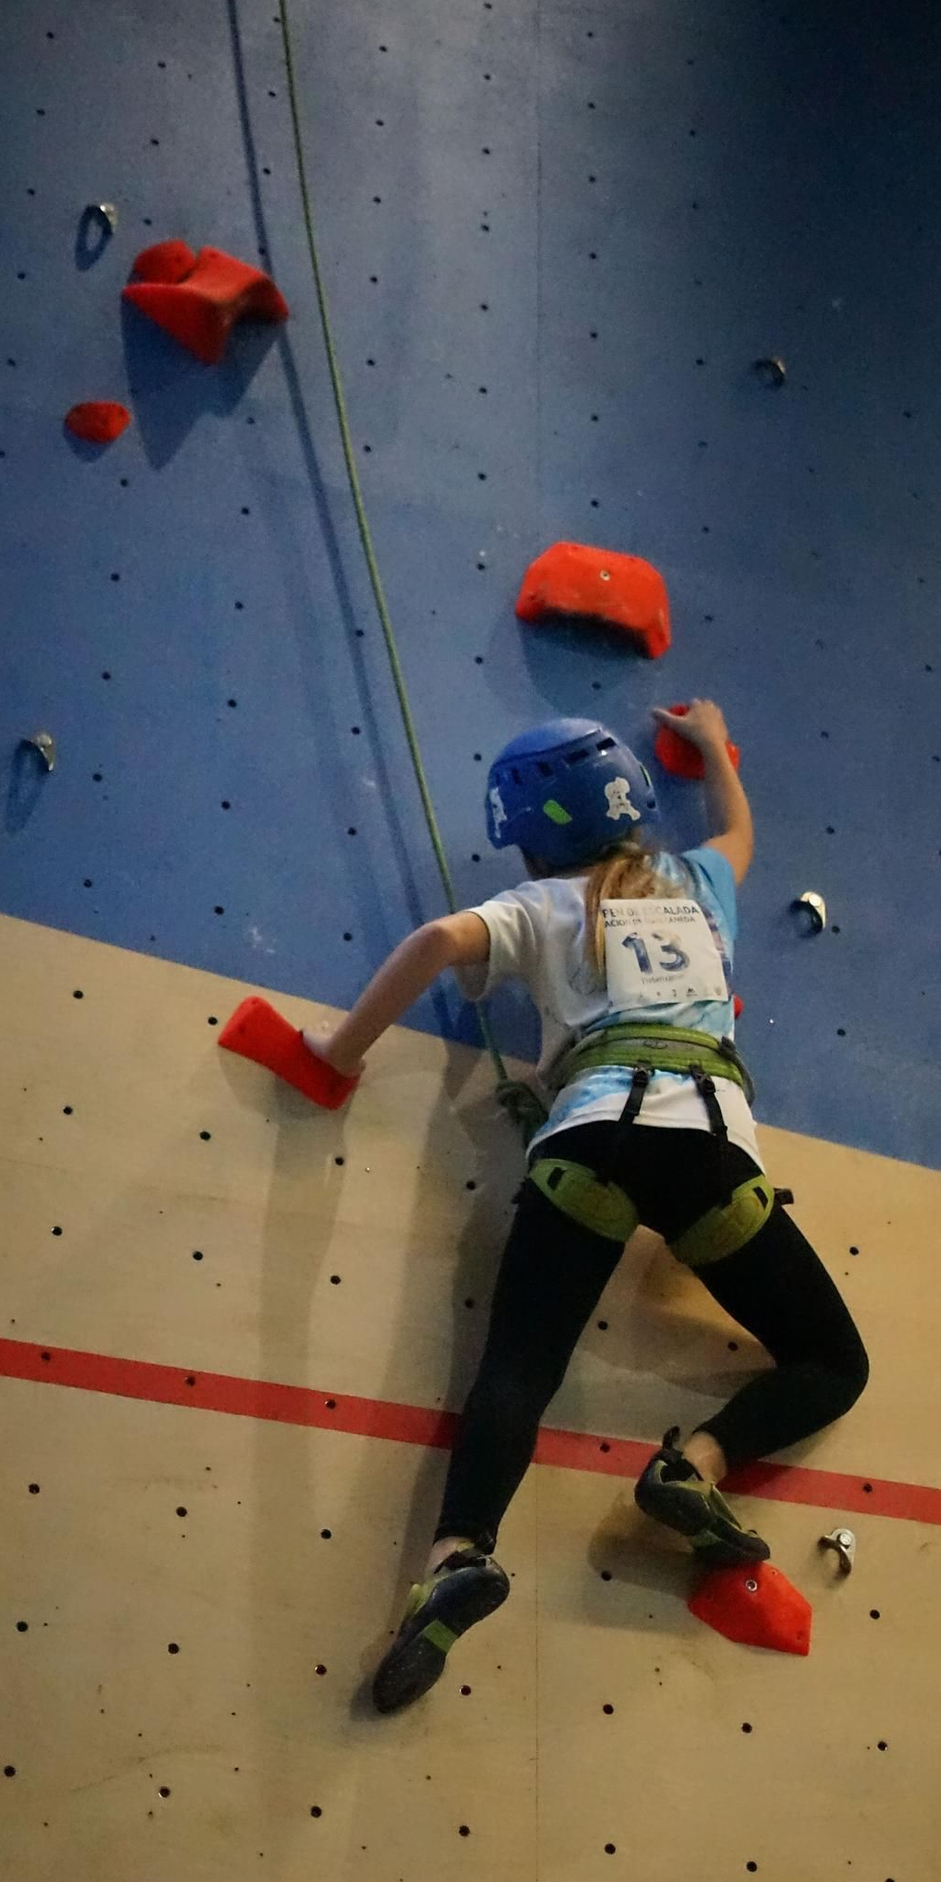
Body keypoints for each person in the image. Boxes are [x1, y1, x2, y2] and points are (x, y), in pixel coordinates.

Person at [305, 700, 870, 1713]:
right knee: (832, 1360)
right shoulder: (697, 883)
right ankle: (695, 1467)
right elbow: (739, 834)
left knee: (519, 1367)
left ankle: (457, 1555)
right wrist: (709, 744)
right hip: (708, 1148)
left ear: (527, 836)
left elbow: (439, 939)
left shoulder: (539, 908)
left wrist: (334, 1059)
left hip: (590, 1142)